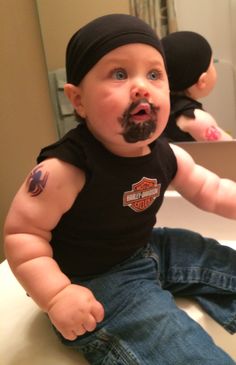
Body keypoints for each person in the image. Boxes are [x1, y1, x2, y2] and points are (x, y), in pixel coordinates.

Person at [4, 14, 236, 365]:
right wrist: (57, 295)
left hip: (147, 248)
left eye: (154, 74)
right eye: (119, 74)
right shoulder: (64, 170)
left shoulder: (167, 154)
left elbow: (211, 190)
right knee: (173, 343)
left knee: (214, 256)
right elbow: (23, 234)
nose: (142, 86)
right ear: (78, 100)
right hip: (95, 281)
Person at [161, 30, 233, 142]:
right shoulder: (197, 119)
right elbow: (229, 150)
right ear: (202, 81)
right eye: (212, 63)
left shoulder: (160, 110)